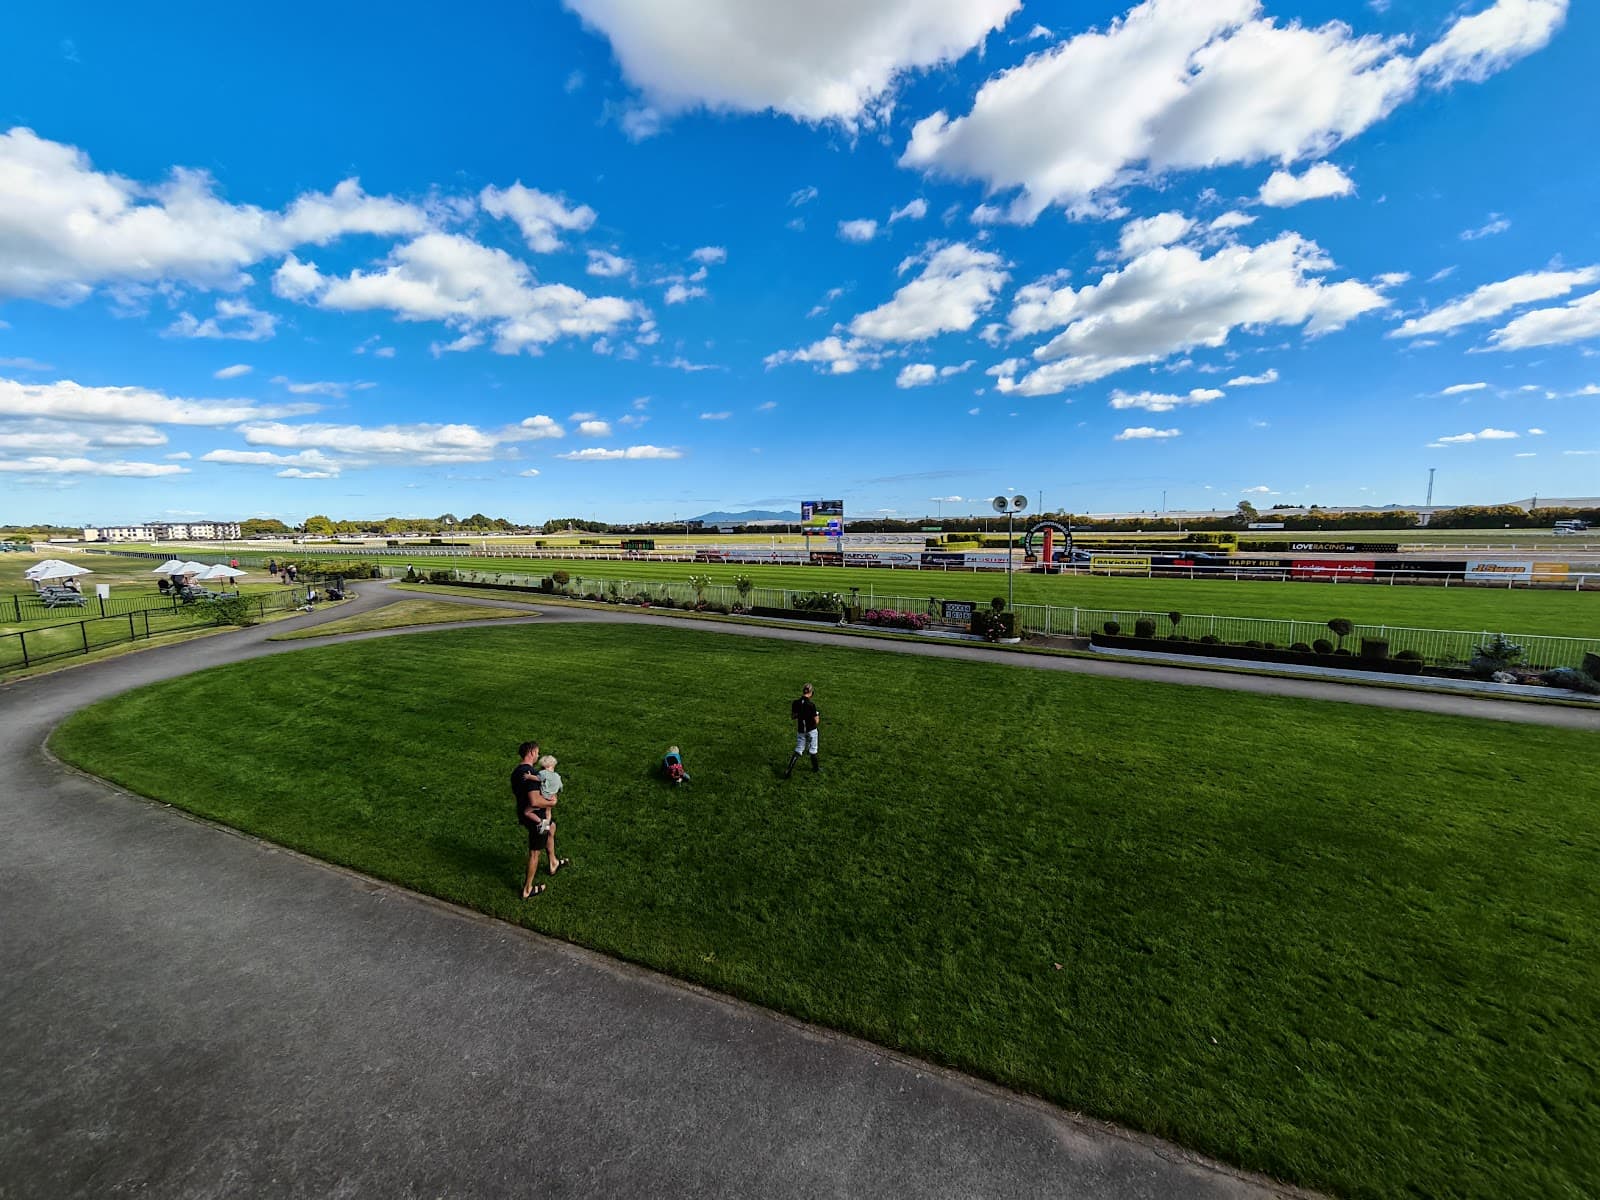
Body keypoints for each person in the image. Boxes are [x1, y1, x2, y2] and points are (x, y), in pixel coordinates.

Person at [511, 742, 567, 898]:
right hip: (538, 820)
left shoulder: (516, 771)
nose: (538, 755)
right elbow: (535, 801)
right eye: (537, 752)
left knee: (552, 827)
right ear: (531, 752)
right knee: (535, 853)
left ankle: (553, 862)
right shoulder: (530, 773)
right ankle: (527, 889)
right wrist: (552, 803)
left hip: (524, 813)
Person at [785, 683, 820, 777]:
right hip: (811, 730)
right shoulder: (811, 705)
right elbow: (816, 721)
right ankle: (816, 768)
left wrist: (801, 714)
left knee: (799, 749)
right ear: (811, 692)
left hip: (801, 730)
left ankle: (788, 770)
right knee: (813, 749)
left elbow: (793, 716)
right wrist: (817, 715)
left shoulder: (795, 703)